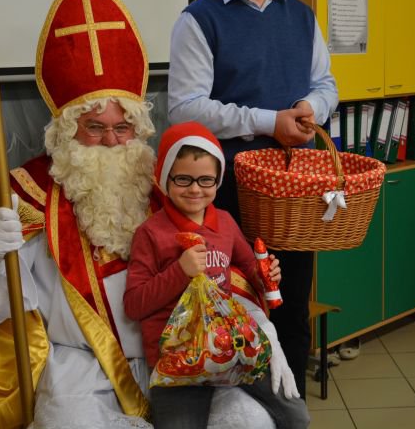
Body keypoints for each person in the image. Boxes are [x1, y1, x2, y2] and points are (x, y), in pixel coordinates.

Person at [0, 0, 277, 429]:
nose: (110, 141)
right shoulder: (29, 194)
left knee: (249, 421)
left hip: (181, 349)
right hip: (81, 367)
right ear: (67, 130)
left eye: (122, 128)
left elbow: (224, 265)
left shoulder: (163, 185)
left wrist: (260, 314)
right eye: (95, 128)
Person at [167, 0, 339, 396]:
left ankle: (291, 409)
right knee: (237, 299)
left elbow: (326, 84)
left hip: (293, 188)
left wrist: (308, 108)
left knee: (291, 302)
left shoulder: (301, 16)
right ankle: (241, 412)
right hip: (228, 192)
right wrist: (269, 121)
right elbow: (185, 108)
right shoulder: (199, 18)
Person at [124, 121, 309, 429]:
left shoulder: (224, 222)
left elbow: (250, 269)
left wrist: (266, 276)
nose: (195, 189)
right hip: (178, 360)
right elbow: (134, 305)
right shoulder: (150, 233)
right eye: (183, 179)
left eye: (205, 180)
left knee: (296, 415)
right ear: (165, 178)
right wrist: (179, 272)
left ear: (218, 180)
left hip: (231, 347)